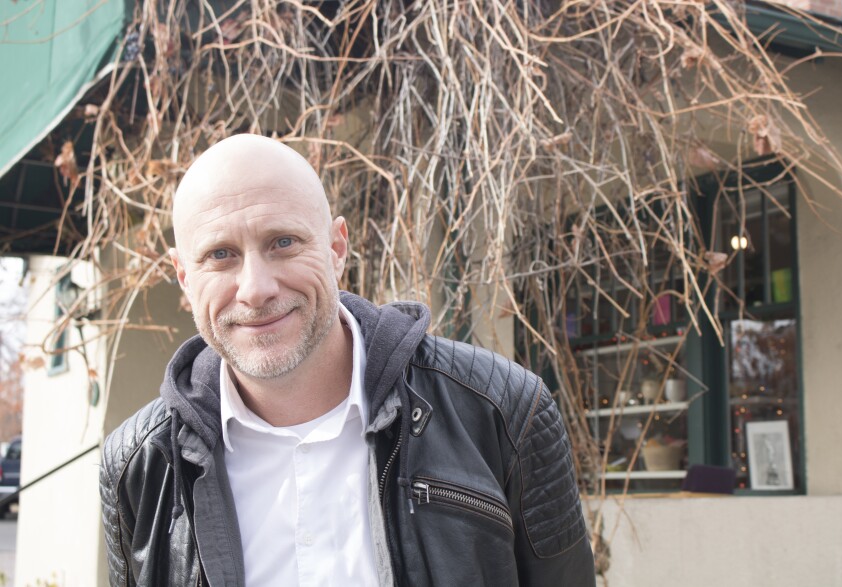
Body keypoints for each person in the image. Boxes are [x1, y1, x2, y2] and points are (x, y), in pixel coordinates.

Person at [99, 134, 596, 586]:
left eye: (283, 242)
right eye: (220, 255)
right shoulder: (138, 465)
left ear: (337, 247)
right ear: (184, 278)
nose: (254, 290)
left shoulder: (503, 412)